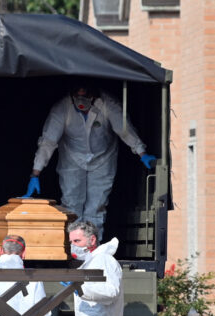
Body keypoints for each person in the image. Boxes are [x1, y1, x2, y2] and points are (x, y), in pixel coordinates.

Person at [25, 84, 156, 238]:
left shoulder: (109, 104)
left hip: (103, 158)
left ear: (94, 95)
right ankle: (74, 250)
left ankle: (92, 250)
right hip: (72, 157)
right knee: (71, 205)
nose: (81, 101)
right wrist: (36, 173)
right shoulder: (62, 108)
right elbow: (48, 141)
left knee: (96, 207)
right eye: (77, 96)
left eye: (85, 96)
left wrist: (142, 152)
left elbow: (124, 130)